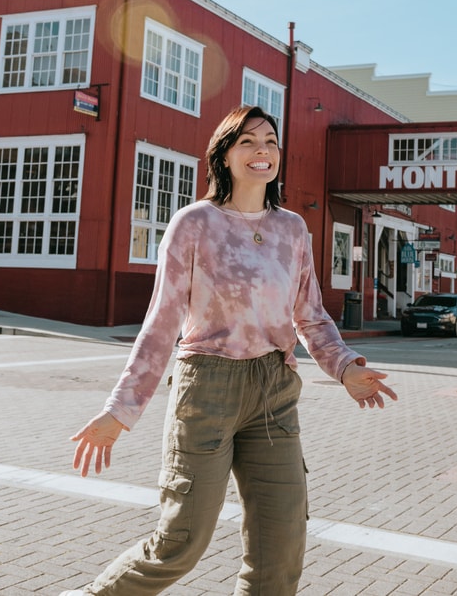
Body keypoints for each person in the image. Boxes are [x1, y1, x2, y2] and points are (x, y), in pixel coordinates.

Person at [61, 104, 397, 596]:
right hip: (207, 389)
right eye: (247, 141)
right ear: (224, 153)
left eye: (270, 141)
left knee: (281, 546)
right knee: (182, 541)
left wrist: (344, 366)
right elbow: (161, 323)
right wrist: (120, 409)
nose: (262, 151)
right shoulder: (194, 223)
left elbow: (309, 314)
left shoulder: (292, 229)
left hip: (274, 391)